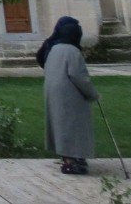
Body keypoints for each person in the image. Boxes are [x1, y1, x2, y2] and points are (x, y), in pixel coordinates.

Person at [42, 17, 100, 175]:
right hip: (69, 94)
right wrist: (93, 94)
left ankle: (70, 157)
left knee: (61, 125)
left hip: (53, 93)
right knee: (72, 126)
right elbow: (78, 76)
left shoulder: (54, 49)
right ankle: (72, 161)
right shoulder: (73, 51)